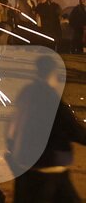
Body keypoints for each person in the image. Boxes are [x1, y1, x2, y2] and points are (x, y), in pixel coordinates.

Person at [9, 52, 86, 200]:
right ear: (52, 74)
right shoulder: (52, 99)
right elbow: (74, 130)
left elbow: (11, 129)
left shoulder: (26, 93)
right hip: (49, 169)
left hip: (26, 169)